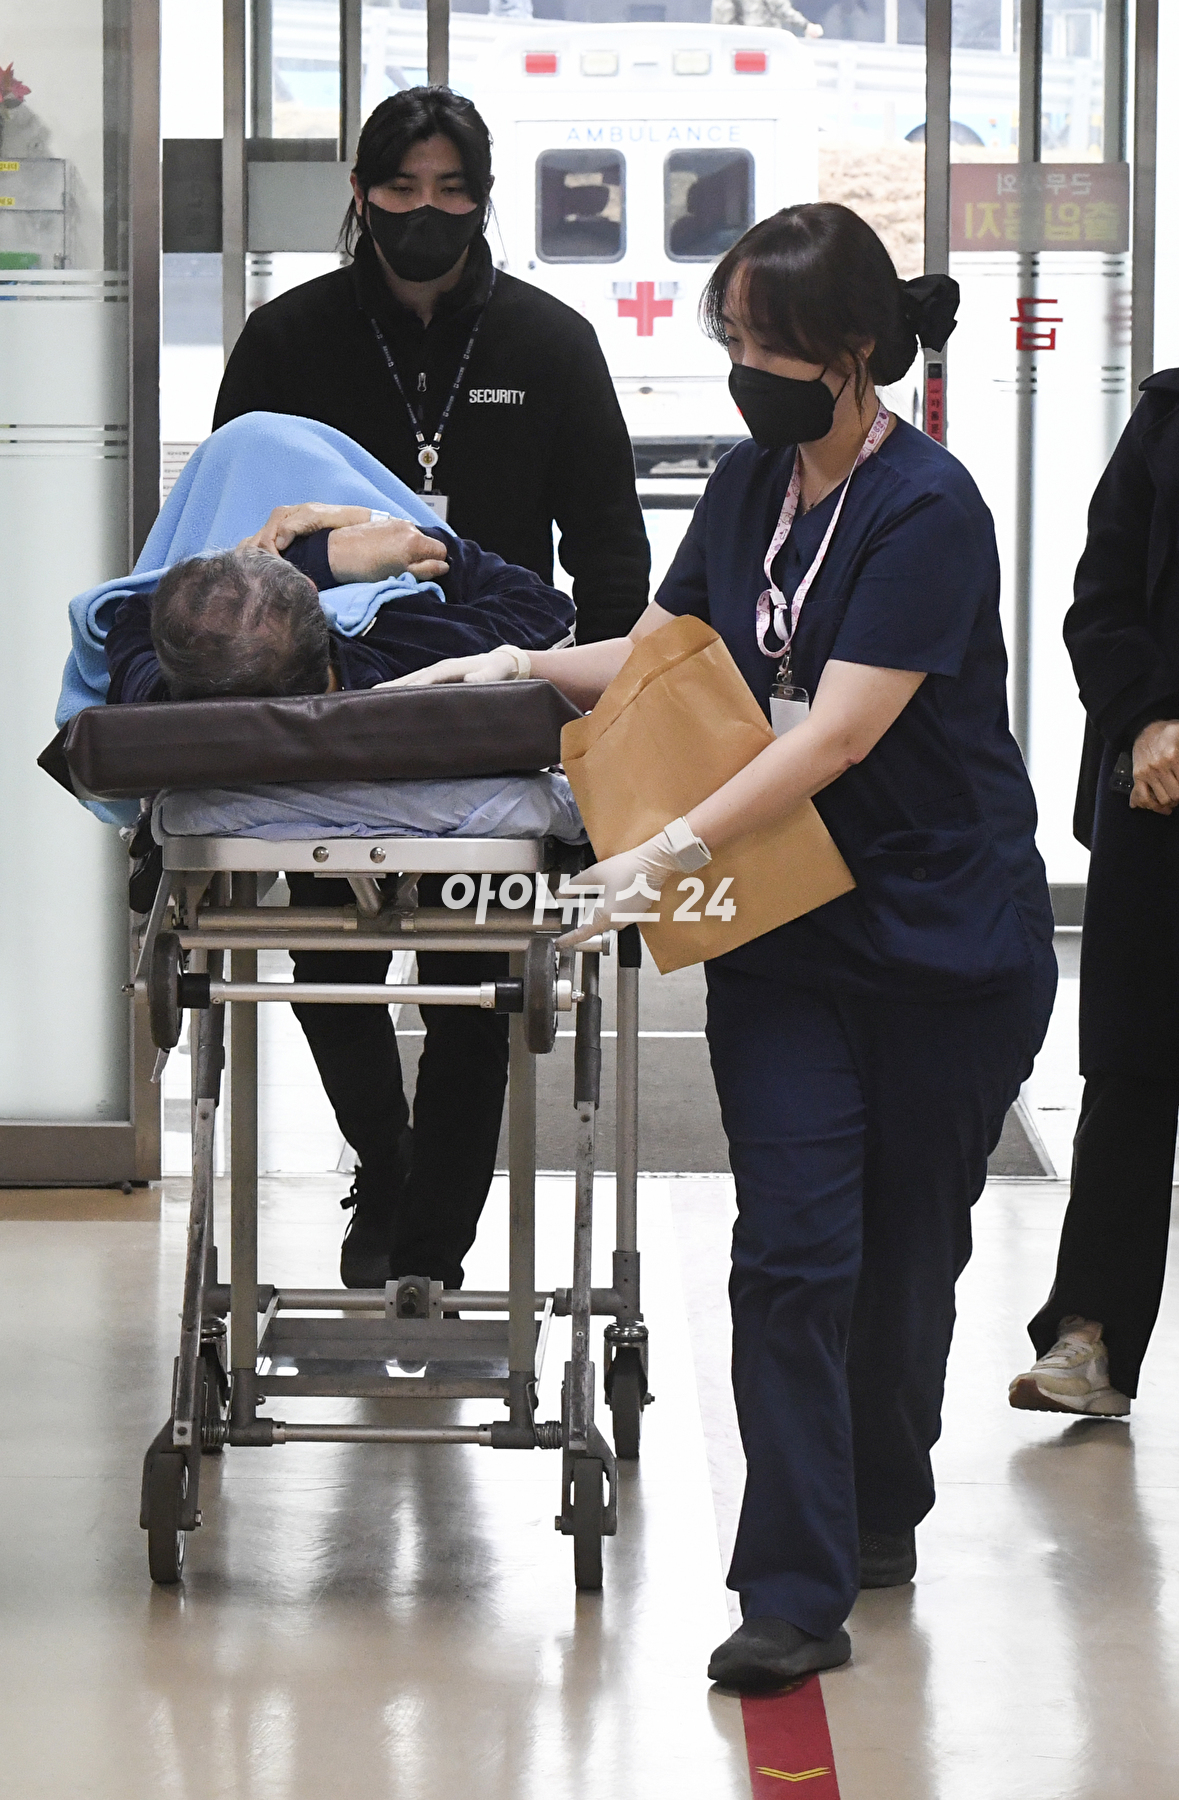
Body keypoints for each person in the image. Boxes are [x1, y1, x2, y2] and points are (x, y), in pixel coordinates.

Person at [398, 204, 1057, 1690]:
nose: (742, 369)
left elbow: (835, 732)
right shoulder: (753, 482)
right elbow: (666, 652)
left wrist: (662, 853)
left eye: (766, 345)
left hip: (945, 940)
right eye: (733, 340)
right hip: (785, 936)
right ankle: (789, 1590)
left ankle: (873, 1505)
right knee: (792, 1252)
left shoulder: (927, 509)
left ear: (852, 351)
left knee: (904, 1261)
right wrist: (515, 664)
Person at [212, 85, 648, 1290]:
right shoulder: (288, 340)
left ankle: (434, 1238)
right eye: (402, 188)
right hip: (326, 701)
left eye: (453, 191)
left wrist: (596, 707)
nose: (425, 211)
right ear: (359, 193)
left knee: (479, 975)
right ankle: (386, 1158)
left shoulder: (549, 343)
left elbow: (610, 549)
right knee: (322, 954)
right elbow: (235, 531)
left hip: (490, 704)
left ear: (484, 201)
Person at [101, 450, 574, 1290]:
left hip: (284, 814)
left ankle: (390, 1173)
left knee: (328, 979)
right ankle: (425, 1248)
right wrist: (351, 543)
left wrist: (267, 563)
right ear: (329, 627)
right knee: (470, 1011)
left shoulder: (164, 697)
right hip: (462, 825)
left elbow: (129, 616)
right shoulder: (410, 647)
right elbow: (541, 607)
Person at [1009, 369, 1179, 1420]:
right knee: (1131, 1068)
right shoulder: (1167, 415)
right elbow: (1102, 599)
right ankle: (1091, 1338)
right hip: (1161, 787)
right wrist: (1148, 717)